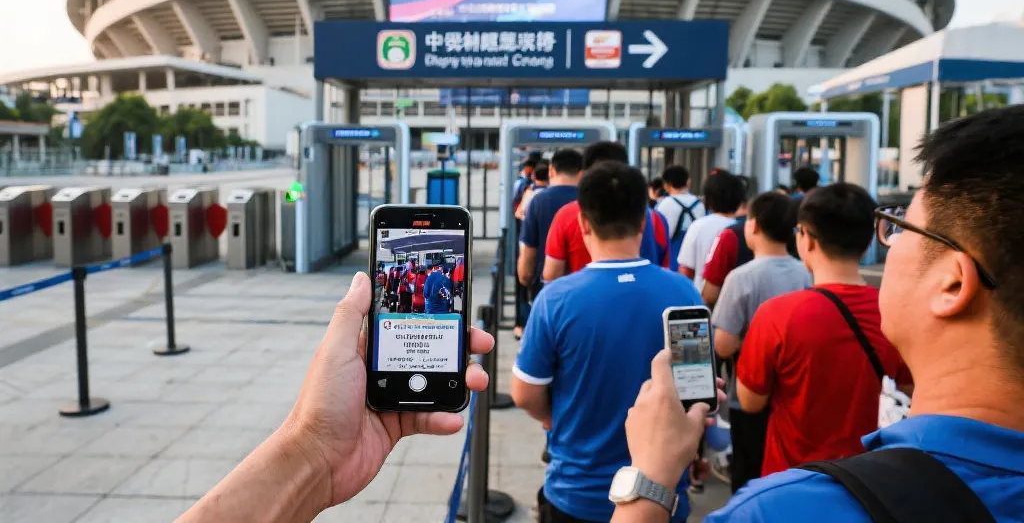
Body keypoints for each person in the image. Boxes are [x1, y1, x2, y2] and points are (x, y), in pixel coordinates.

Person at [615, 106, 1024, 522]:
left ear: (953, 284)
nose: (891, 241)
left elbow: (751, 399)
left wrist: (650, 478)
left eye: (903, 226)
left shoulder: (779, 510)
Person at [176, 273, 494, 523]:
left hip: (427, 315)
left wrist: (313, 453)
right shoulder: (441, 279)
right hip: (437, 320)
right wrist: (314, 449)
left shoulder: (426, 281)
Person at [512, 162, 704, 523]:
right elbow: (697, 389)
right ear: (644, 222)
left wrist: (560, 420)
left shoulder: (556, 299)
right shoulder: (684, 291)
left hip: (576, 492)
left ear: (583, 222)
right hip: (661, 494)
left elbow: (524, 393)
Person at [734, 183, 912, 475]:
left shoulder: (777, 315)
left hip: (791, 479)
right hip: (865, 481)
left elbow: (751, 401)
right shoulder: (894, 311)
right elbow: (908, 386)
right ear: (868, 243)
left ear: (808, 240)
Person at [710, 191, 811, 493]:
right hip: (796, 391)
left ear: (752, 226)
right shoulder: (806, 273)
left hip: (748, 393)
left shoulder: (741, 278)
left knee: (748, 474)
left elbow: (723, 345)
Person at [543, 142, 671, 281]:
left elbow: (551, 274)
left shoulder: (567, 215)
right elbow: (664, 269)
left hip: (583, 299)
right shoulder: (655, 218)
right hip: (646, 298)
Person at [517, 149, 584, 337]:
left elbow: (528, 251)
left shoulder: (539, 201)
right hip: (583, 290)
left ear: (551, 170)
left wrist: (525, 279)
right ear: (582, 172)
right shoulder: (588, 201)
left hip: (546, 290)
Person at [677, 170, 746, 294]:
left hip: (700, 300)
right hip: (734, 298)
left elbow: (686, 271)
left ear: (707, 199)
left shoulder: (698, 226)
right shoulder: (743, 229)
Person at [656, 165, 706, 270]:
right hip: (696, 260)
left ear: (666, 185)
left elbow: (658, 237)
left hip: (671, 261)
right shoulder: (700, 204)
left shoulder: (664, 204)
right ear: (688, 182)